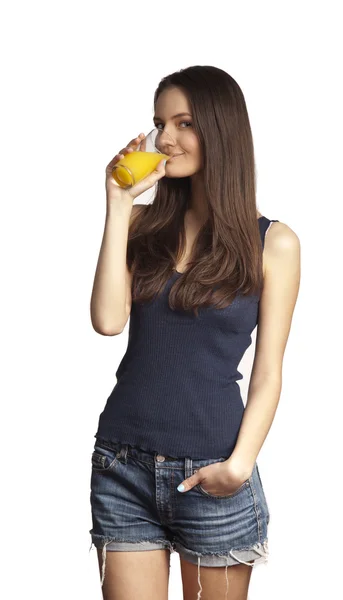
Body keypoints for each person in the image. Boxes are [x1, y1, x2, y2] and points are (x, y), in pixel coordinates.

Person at [88, 65, 301, 600]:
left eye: (183, 123)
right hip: (122, 466)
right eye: (160, 123)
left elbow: (269, 371)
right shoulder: (140, 225)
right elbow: (108, 321)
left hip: (212, 476)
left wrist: (239, 466)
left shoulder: (274, 244)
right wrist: (117, 204)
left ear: (220, 129)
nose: (165, 139)